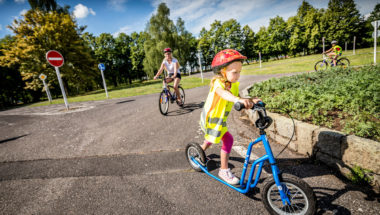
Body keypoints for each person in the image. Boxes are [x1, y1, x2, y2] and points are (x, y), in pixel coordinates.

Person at [199, 49, 261, 185]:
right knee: (228, 139)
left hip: (218, 120)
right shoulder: (218, 84)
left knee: (211, 138)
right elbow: (226, 95)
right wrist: (236, 100)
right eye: (234, 72)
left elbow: (237, 97)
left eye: (239, 72)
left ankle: (199, 151)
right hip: (212, 120)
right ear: (223, 72)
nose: (238, 75)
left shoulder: (232, 84)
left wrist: (250, 99)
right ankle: (224, 170)